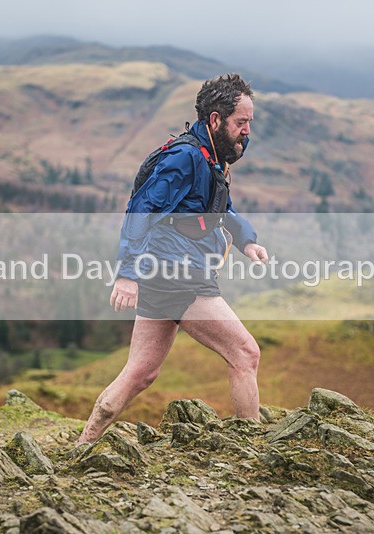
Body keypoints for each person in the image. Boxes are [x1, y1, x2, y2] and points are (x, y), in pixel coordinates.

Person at [77, 73, 268, 444]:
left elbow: (220, 208)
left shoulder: (209, 158)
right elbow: (141, 210)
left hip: (165, 274)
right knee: (245, 353)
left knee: (140, 373)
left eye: (249, 123)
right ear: (215, 120)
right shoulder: (184, 158)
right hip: (178, 275)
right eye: (241, 123)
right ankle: (254, 450)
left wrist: (246, 239)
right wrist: (127, 274)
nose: (247, 131)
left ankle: (84, 444)